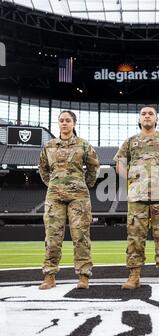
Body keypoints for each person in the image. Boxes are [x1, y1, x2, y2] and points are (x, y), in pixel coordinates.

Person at [114, 106, 159, 290]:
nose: (147, 116)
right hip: (137, 196)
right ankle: (134, 276)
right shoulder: (130, 141)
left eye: (150, 114)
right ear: (139, 119)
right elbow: (120, 164)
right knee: (135, 237)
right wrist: (130, 177)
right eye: (144, 114)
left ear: (156, 119)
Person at [38, 110, 100, 290]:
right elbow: (42, 169)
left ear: (74, 123)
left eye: (68, 120)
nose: (64, 123)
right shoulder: (49, 146)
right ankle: (49, 276)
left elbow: (93, 168)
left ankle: (83, 276)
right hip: (54, 197)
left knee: (81, 236)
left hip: (78, 196)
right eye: (61, 120)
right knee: (52, 237)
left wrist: (83, 184)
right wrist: (54, 184)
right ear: (58, 124)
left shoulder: (83, 145)